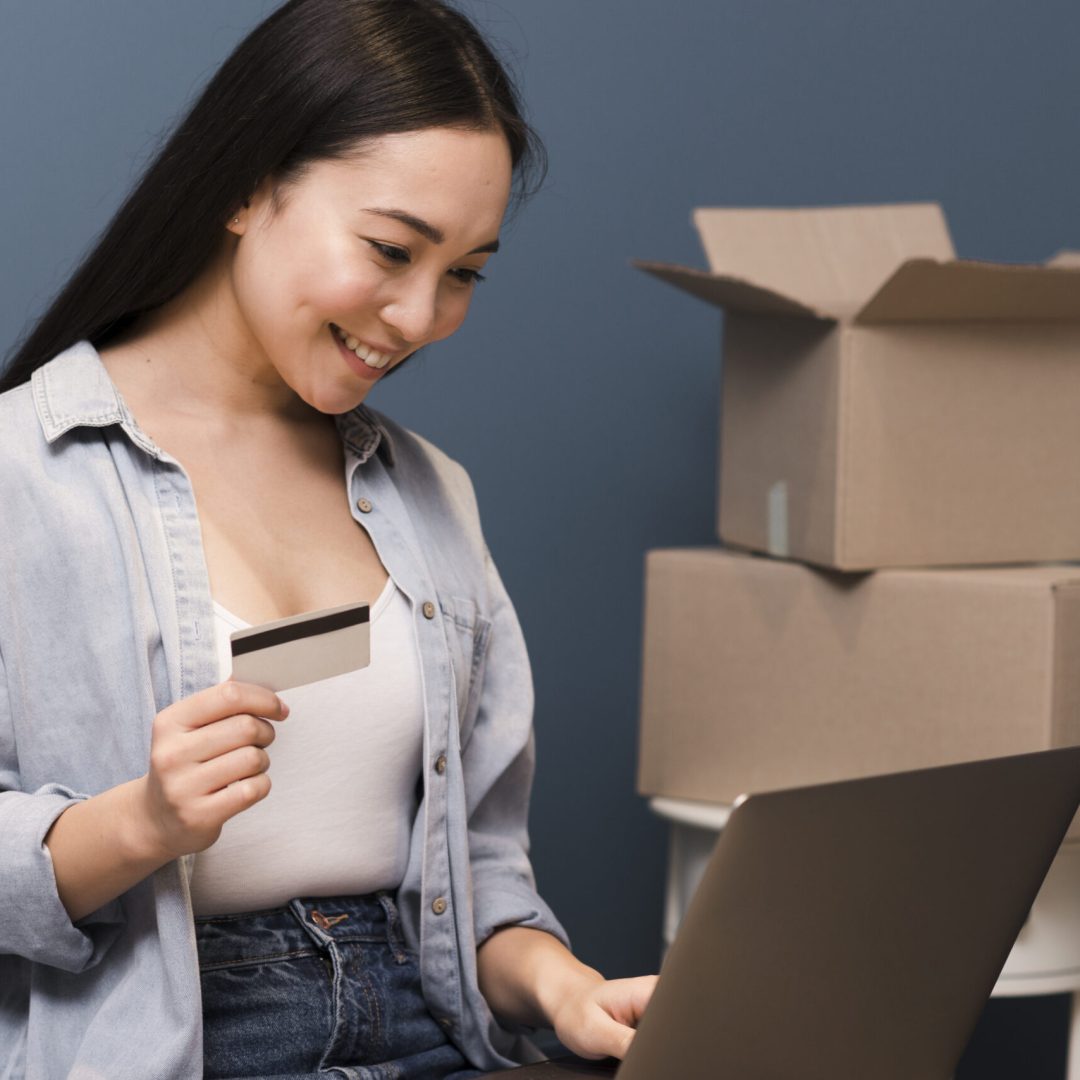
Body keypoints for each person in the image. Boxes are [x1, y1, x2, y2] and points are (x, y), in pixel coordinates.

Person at [0, 2, 657, 1077]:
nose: (416, 315)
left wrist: (567, 991)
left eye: (464, 273)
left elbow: (480, 873)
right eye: (392, 249)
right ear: (247, 186)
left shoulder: (432, 497)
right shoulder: (21, 475)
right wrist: (141, 822)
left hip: (426, 1023)